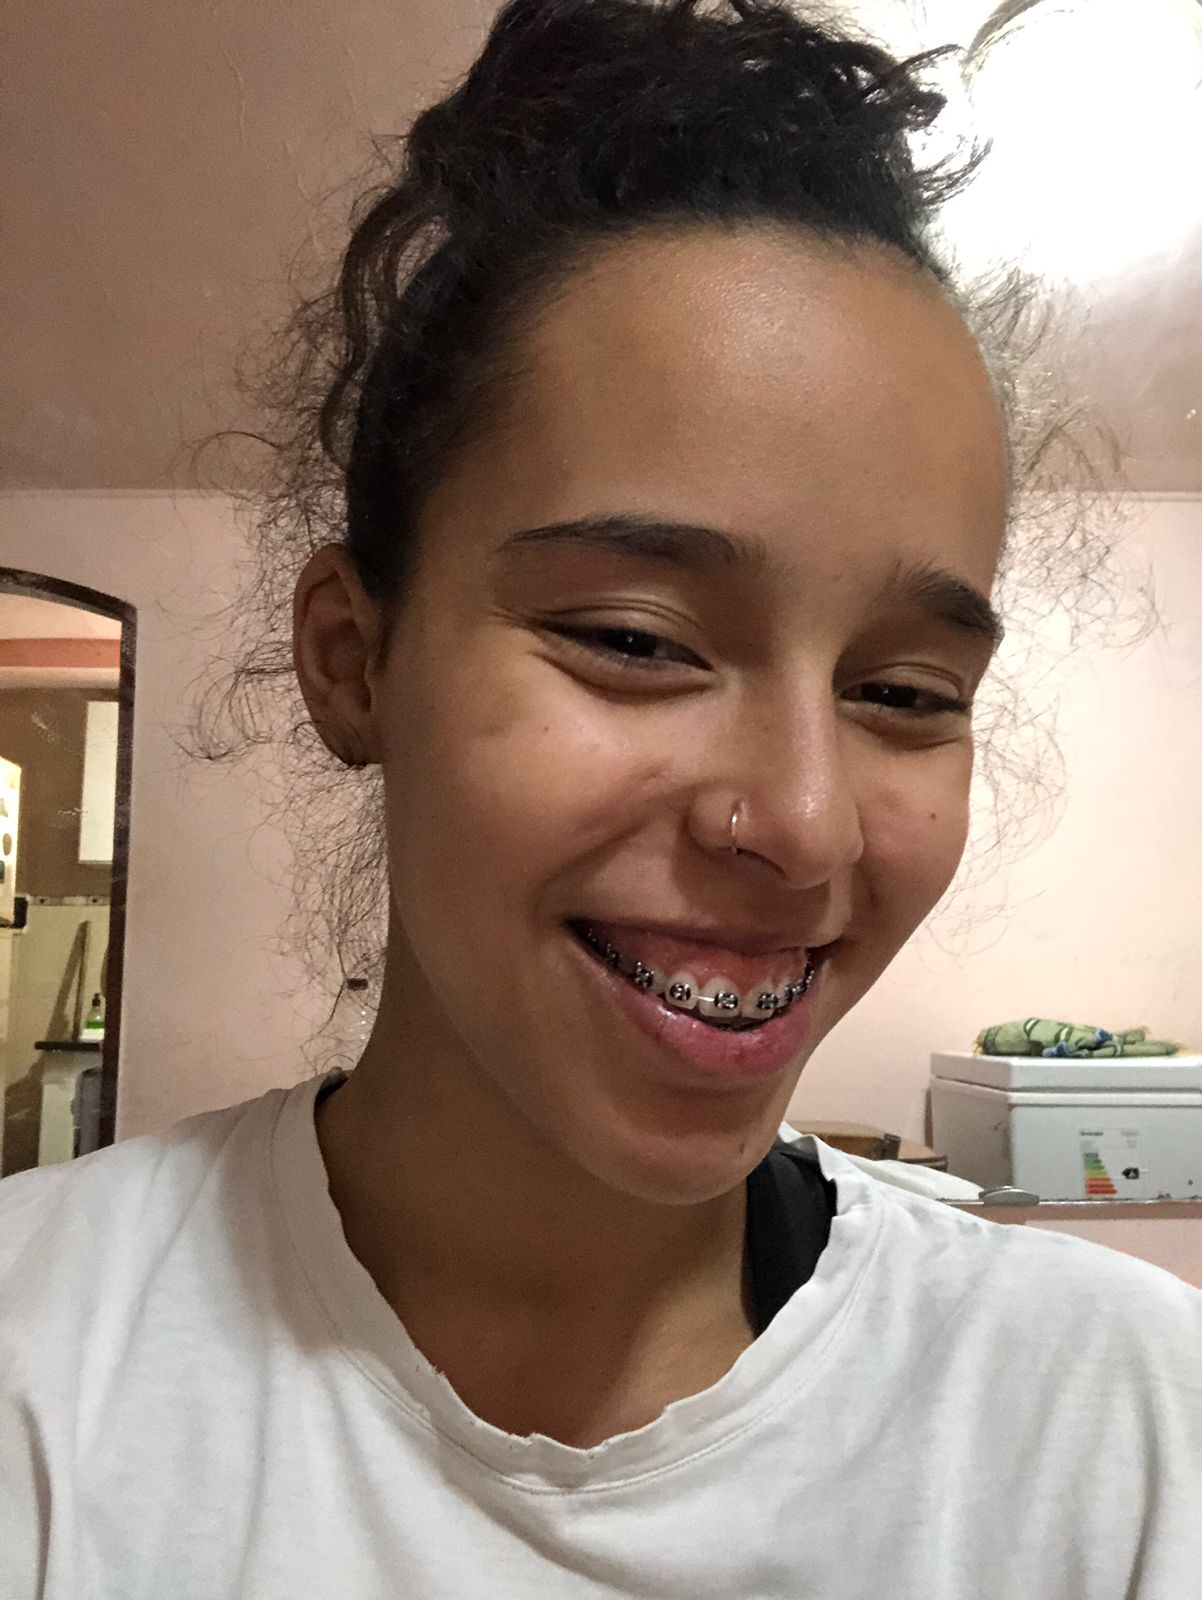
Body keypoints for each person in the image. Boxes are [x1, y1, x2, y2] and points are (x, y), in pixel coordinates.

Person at [2, 2, 1199, 1595]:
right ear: (353, 660)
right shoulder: (40, 1375)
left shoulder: (1123, 1432)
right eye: (635, 640)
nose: (805, 822)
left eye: (906, 692)